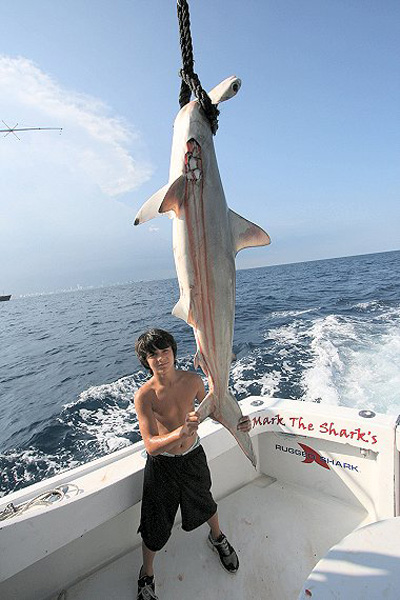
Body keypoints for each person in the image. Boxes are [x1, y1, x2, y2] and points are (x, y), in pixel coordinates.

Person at [134, 328, 251, 600]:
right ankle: (147, 574)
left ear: (174, 352)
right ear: (145, 361)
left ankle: (217, 538)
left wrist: (241, 421)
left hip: (194, 457)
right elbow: (150, 445)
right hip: (163, 466)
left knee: (205, 500)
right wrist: (180, 433)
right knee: (155, 523)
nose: (161, 359)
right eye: (153, 355)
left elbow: (216, 407)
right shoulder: (145, 396)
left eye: (165, 351)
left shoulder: (194, 380)